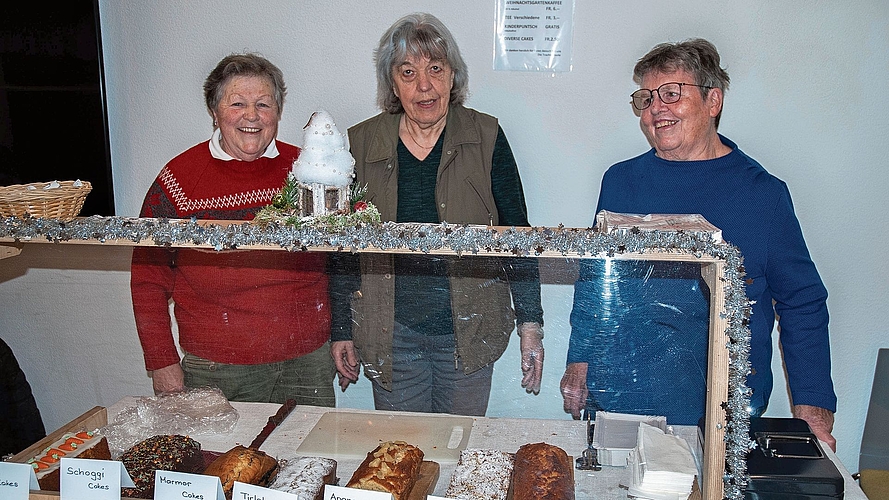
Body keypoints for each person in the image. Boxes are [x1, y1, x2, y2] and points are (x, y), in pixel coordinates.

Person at [560, 38, 838, 449]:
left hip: (719, 408)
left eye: (671, 93)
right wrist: (580, 359)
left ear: (713, 101)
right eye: (646, 98)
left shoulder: (762, 194)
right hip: (621, 398)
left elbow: (802, 301)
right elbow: (595, 281)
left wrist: (812, 407)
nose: (656, 109)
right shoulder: (620, 181)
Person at [329, 13, 544, 416]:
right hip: (390, 335)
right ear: (392, 83)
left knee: (460, 445)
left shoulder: (486, 136)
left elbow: (518, 236)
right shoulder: (361, 142)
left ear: (453, 75)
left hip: (470, 333)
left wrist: (530, 325)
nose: (424, 86)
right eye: (408, 72)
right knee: (399, 446)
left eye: (435, 69)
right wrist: (341, 328)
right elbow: (342, 249)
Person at [130, 53, 335, 406]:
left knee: (311, 444)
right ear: (214, 111)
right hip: (217, 369)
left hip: (307, 364)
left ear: (278, 113)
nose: (251, 116)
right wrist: (161, 360)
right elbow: (148, 278)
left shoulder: (310, 173)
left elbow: (342, 258)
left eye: (263, 104)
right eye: (237, 103)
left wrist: (344, 334)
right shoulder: (179, 180)